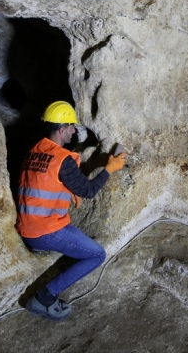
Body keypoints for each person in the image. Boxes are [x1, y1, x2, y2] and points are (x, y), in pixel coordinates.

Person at [16, 100, 127, 320]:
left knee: (75, 235)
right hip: (44, 230)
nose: (73, 131)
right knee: (96, 254)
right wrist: (109, 169)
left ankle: (40, 248)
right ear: (61, 129)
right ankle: (44, 298)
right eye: (70, 127)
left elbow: (47, 180)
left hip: (29, 224)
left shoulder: (35, 150)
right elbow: (88, 190)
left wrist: (70, 187)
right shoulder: (63, 160)